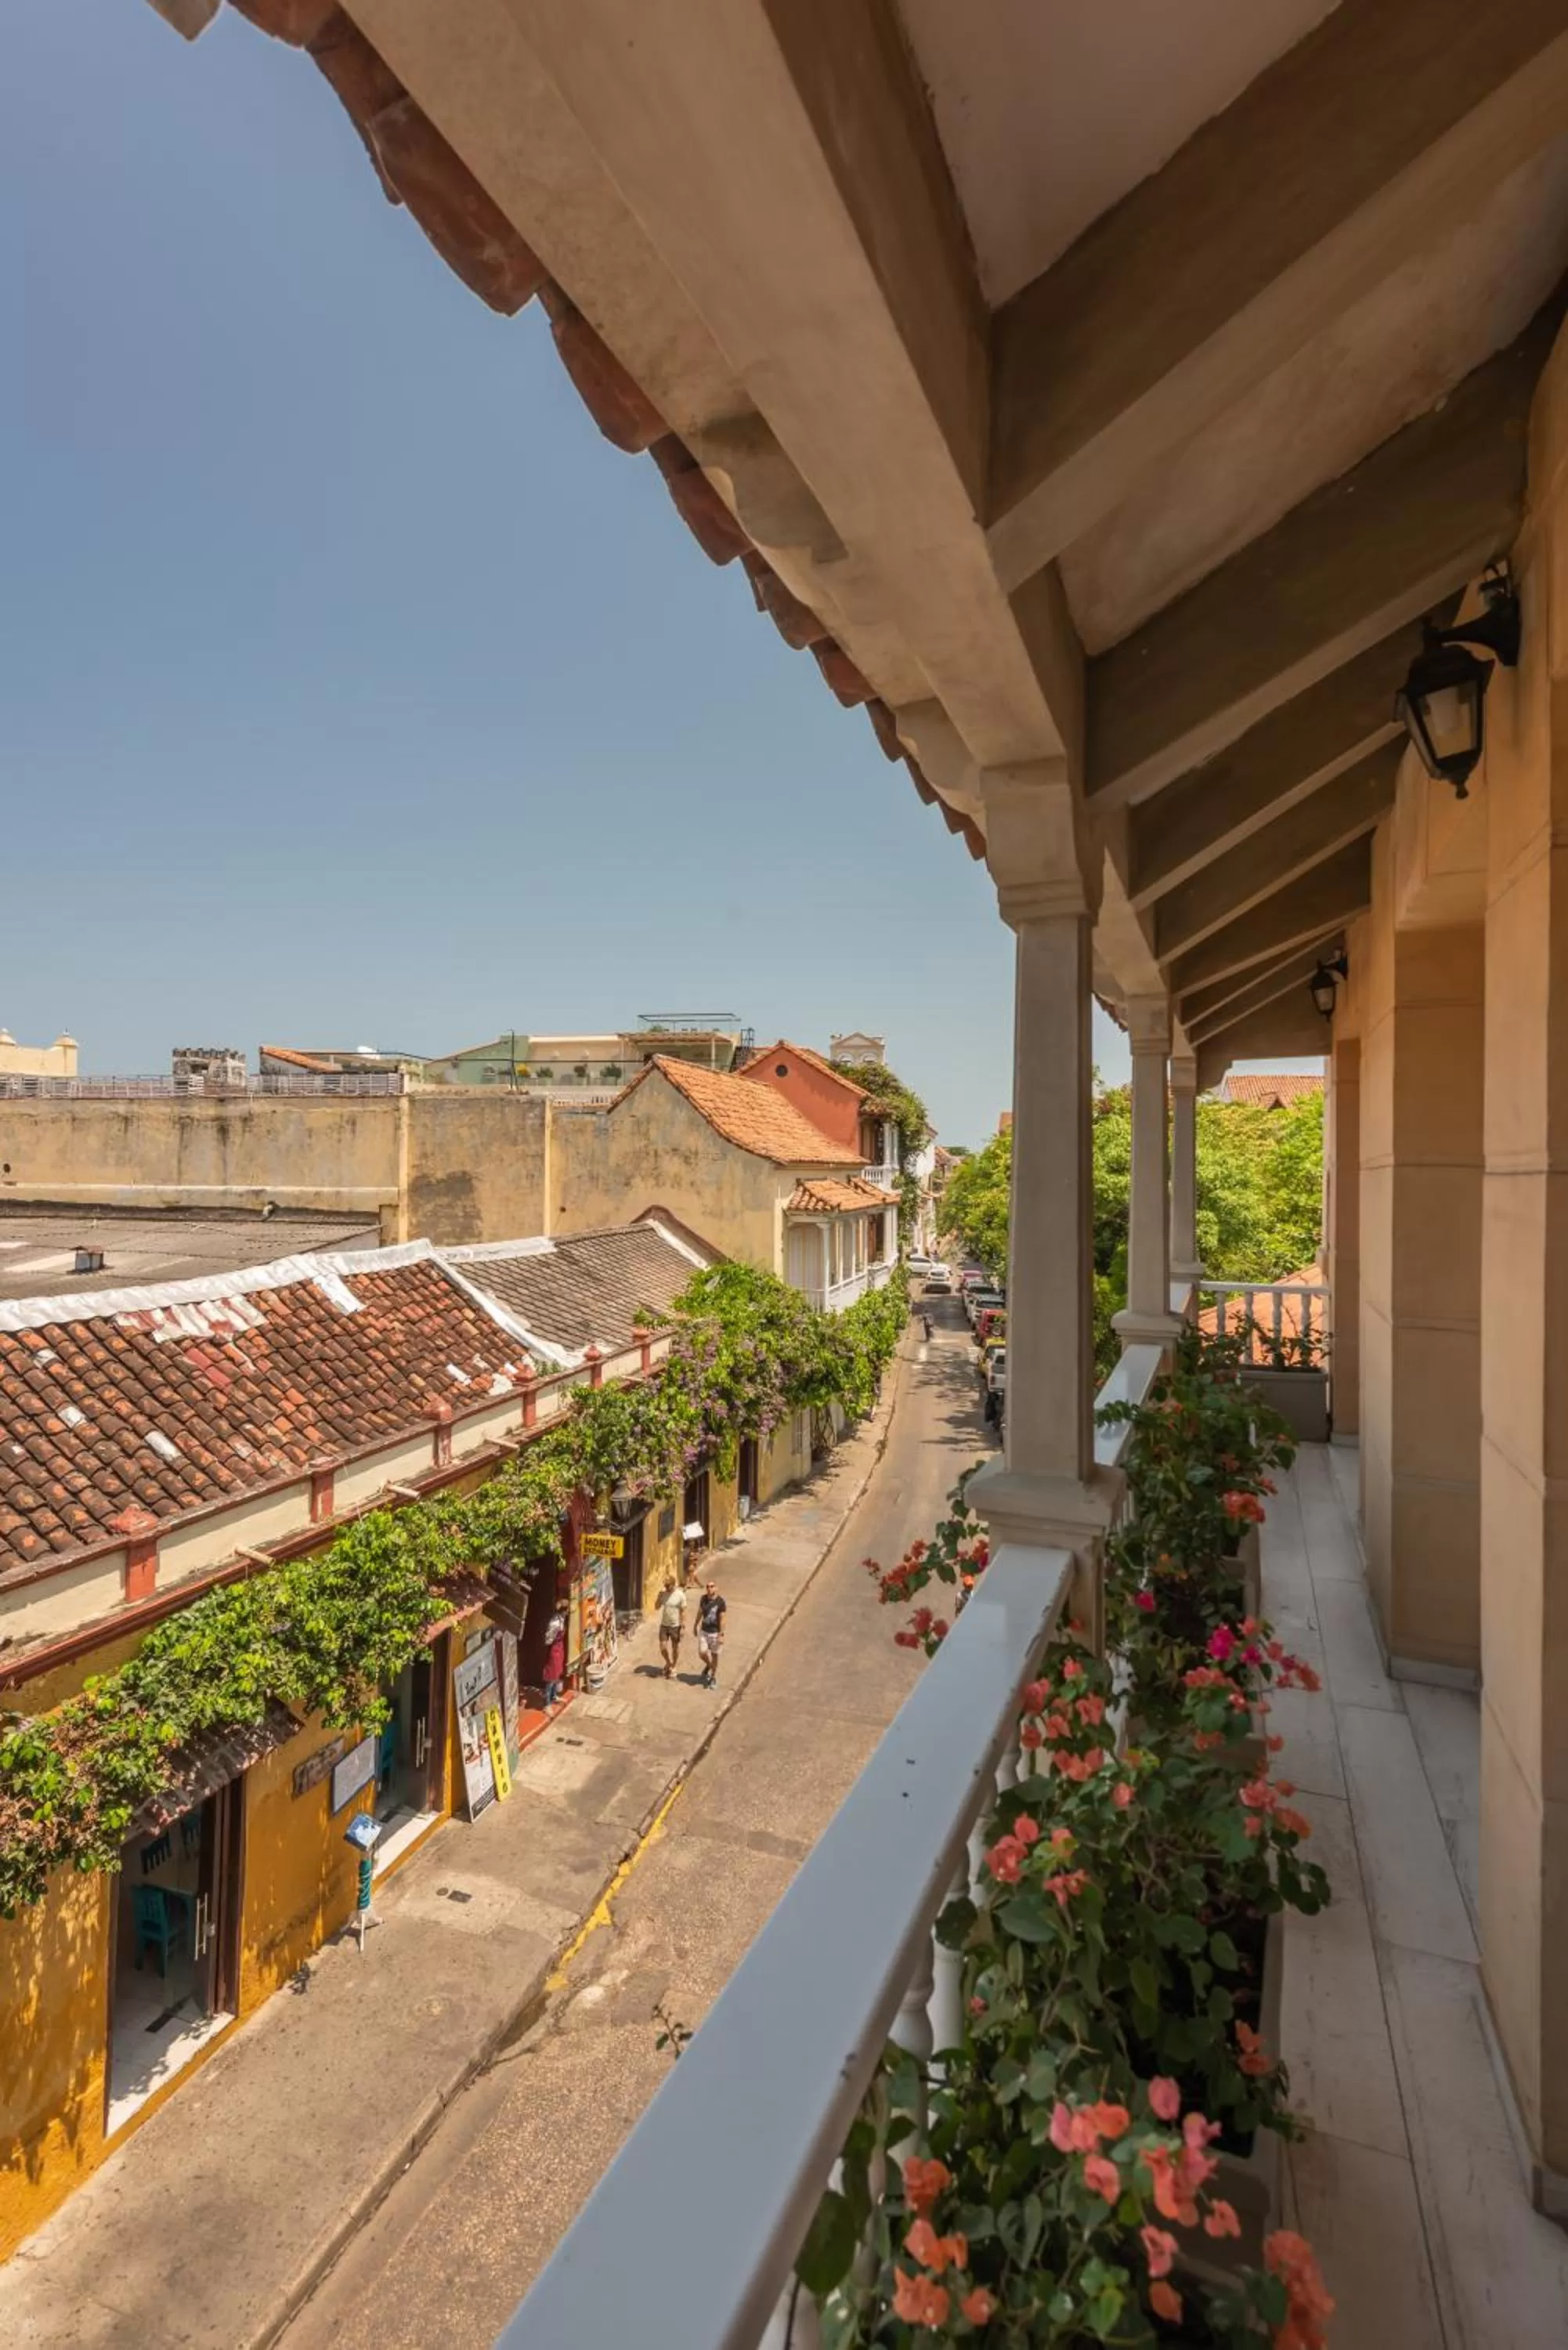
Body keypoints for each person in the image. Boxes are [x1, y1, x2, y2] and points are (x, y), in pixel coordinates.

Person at [695, 1579, 727, 1688]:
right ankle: (709, 1666)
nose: (709, 1588)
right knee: (702, 1653)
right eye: (708, 1586)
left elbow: (722, 1619)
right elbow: (700, 1612)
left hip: (715, 1633)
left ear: (716, 1588)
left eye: (712, 1586)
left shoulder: (720, 1602)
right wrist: (695, 1624)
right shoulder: (703, 1599)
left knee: (714, 1655)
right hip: (704, 1631)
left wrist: (721, 1634)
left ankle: (713, 1677)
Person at [657, 1576, 687, 1677]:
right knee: (663, 1647)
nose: (666, 1587)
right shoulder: (664, 1594)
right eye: (665, 1585)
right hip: (664, 1625)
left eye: (668, 1586)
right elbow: (657, 1607)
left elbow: (683, 1611)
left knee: (675, 1648)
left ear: (673, 1585)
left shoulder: (680, 1595)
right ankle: (669, 1663)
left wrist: (683, 1627)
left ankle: (674, 1666)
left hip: (675, 1626)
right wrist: (659, 1597)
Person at [541, 1609, 566, 1710]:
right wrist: (553, 1641)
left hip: (559, 1649)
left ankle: (553, 1696)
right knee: (551, 1677)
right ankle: (547, 1704)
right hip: (554, 1650)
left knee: (557, 1674)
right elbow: (548, 1639)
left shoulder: (562, 1619)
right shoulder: (555, 1622)